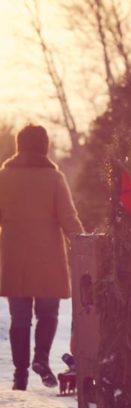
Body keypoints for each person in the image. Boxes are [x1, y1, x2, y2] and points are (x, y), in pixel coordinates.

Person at [0, 124, 84, 391]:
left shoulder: (4, 177)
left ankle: (20, 375)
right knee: (48, 314)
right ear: (44, 146)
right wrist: (84, 244)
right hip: (48, 258)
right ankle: (40, 359)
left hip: (15, 256)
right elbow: (68, 218)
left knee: (19, 318)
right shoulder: (54, 178)